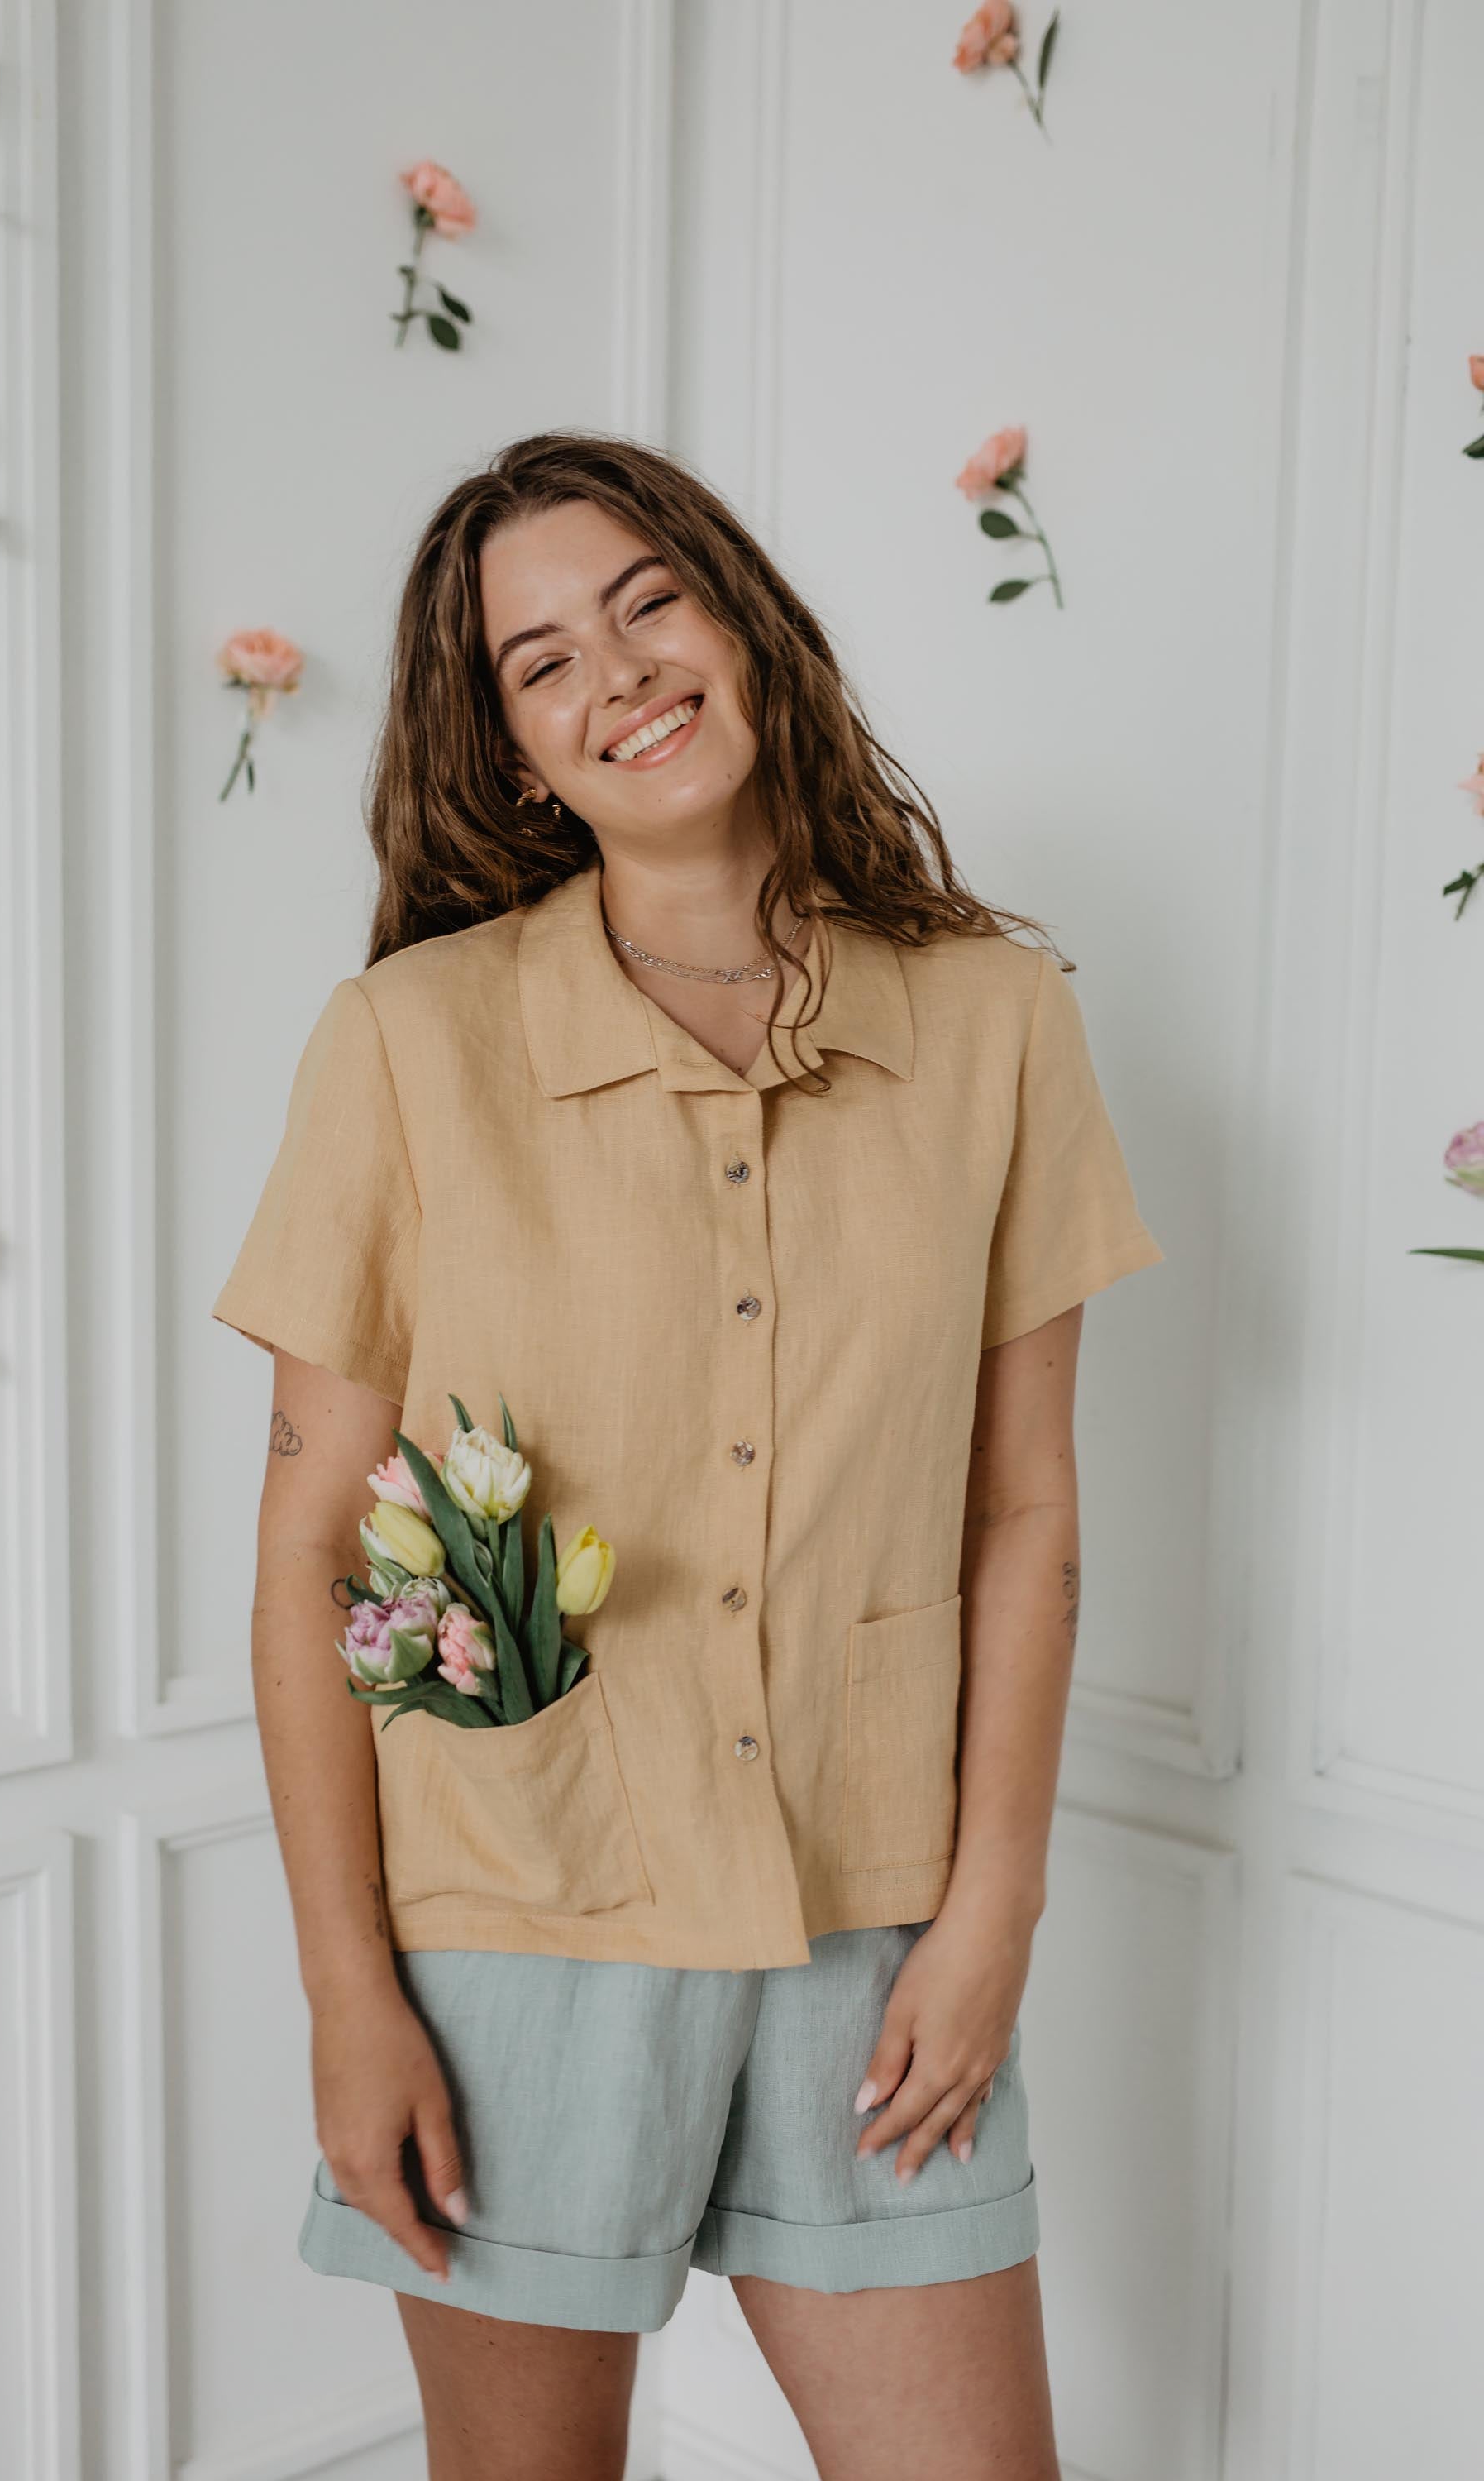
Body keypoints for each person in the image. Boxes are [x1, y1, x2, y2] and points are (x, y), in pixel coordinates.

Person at [212, 430, 1162, 2481]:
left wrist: (991, 1913)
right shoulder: (406, 1044)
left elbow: (1025, 1511)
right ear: (517, 755)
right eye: (541, 660)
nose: (617, 670)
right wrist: (347, 1996)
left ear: (741, 622)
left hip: (877, 1927)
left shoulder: (996, 1024)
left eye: (648, 601)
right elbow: (310, 1557)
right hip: (518, 1926)